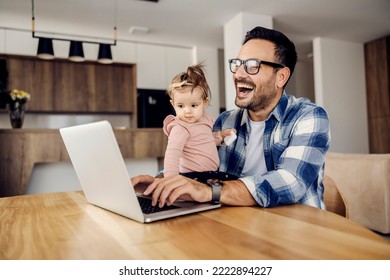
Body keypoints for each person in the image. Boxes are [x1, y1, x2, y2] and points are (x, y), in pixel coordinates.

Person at [132, 26, 330, 209]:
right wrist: (161, 182)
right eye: (237, 64)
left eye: (252, 65)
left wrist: (210, 191)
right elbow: (196, 163)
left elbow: (290, 181)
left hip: (297, 231)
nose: (238, 74)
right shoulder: (225, 121)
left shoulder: (308, 116)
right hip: (238, 226)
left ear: (281, 77)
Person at [163, 64, 220, 177]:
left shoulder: (206, 120)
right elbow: (172, 154)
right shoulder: (180, 127)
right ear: (173, 104)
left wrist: (221, 136)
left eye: (194, 105)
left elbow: (204, 140)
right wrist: (171, 179)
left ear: (204, 102)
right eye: (180, 106)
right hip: (190, 176)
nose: (187, 111)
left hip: (211, 175)